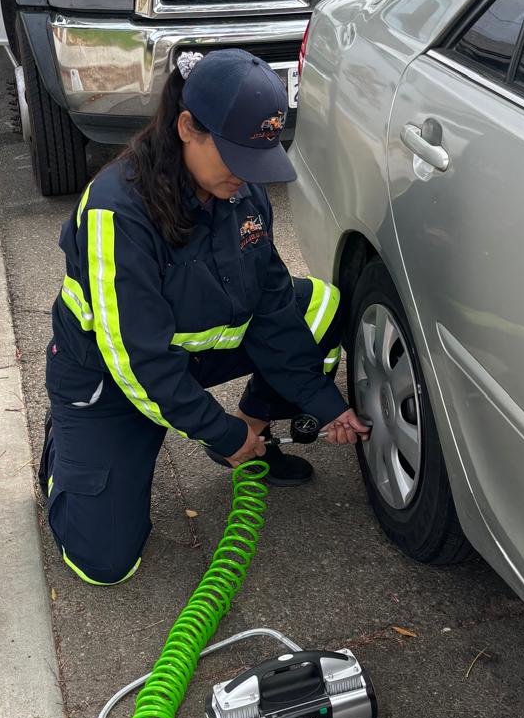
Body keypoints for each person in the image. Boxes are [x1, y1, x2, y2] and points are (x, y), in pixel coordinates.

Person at [39, 46, 370, 587]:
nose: (248, 176)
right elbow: (139, 360)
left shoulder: (242, 197)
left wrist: (326, 405)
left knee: (319, 308)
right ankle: (67, 452)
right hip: (112, 380)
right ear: (187, 126)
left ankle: (255, 436)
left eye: (258, 157)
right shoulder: (115, 211)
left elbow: (273, 309)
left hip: (190, 360)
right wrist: (219, 430)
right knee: (103, 563)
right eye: (236, 155)